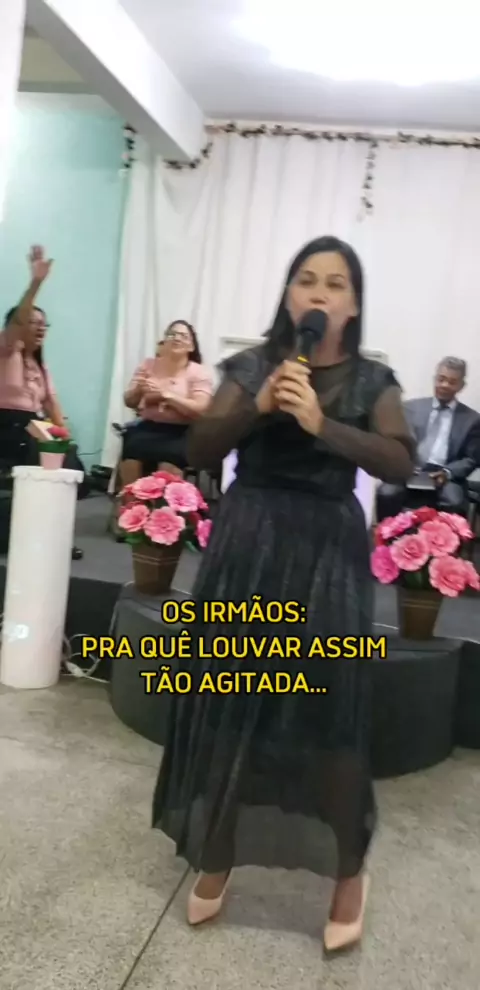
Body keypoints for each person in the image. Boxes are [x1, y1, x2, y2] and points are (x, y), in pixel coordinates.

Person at [152, 236, 414, 954]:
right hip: (249, 544)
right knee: (231, 699)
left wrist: (322, 426)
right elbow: (200, 450)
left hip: (327, 552)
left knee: (328, 712)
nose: (319, 293)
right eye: (306, 280)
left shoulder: (373, 381)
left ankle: (349, 871)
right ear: (289, 295)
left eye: (335, 283)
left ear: (352, 305)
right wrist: (259, 407)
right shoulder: (252, 367)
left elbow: (398, 461)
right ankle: (218, 849)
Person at [0, 246, 83, 560]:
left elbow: (52, 406)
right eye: (34, 323)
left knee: (70, 465)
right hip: (6, 425)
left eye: (44, 325)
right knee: (43, 462)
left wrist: (65, 438)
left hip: (33, 427)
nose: (40, 329)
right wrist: (35, 283)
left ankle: (51, 536)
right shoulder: (6, 349)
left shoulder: (40, 365)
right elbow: (19, 319)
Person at [377, 357, 480, 520]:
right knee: (386, 493)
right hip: (411, 470)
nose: (445, 385)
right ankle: (388, 535)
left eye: (452, 382)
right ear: (434, 379)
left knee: (454, 501)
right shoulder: (410, 407)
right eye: (441, 379)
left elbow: (471, 459)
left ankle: (444, 537)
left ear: (461, 386)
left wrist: (447, 472)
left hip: (446, 475)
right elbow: (396, 442)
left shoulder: (472, 419)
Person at [119, 321, 213, 485]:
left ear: (191, 346)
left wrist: (166, 395)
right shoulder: (148, 365)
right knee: (131, 456)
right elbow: (129, 401)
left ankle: (165, 501)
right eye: (172, 334)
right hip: (148, 427)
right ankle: (131, 499)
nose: (177, 338)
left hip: (181, 432)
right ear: (164, 341)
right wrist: (139, 389)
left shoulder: (199, 372)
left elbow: (201, 409)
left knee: (168, 465)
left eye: (183, 336)